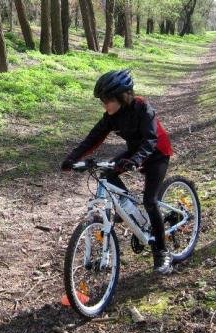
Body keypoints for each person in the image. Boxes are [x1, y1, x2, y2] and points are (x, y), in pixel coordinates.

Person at [61, 69, 174, 274]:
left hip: (157, 154)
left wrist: (135, 160)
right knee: (107, 173)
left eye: (106, 100)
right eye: (102, 101)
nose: (104, 105)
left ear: (122, 96)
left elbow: (150, 140)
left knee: (150, 201)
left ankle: (162, 252)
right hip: (134, 153)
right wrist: (72, 158)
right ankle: (125, 208)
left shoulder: (143, 108)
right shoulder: (112, 116)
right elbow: (93, 137)